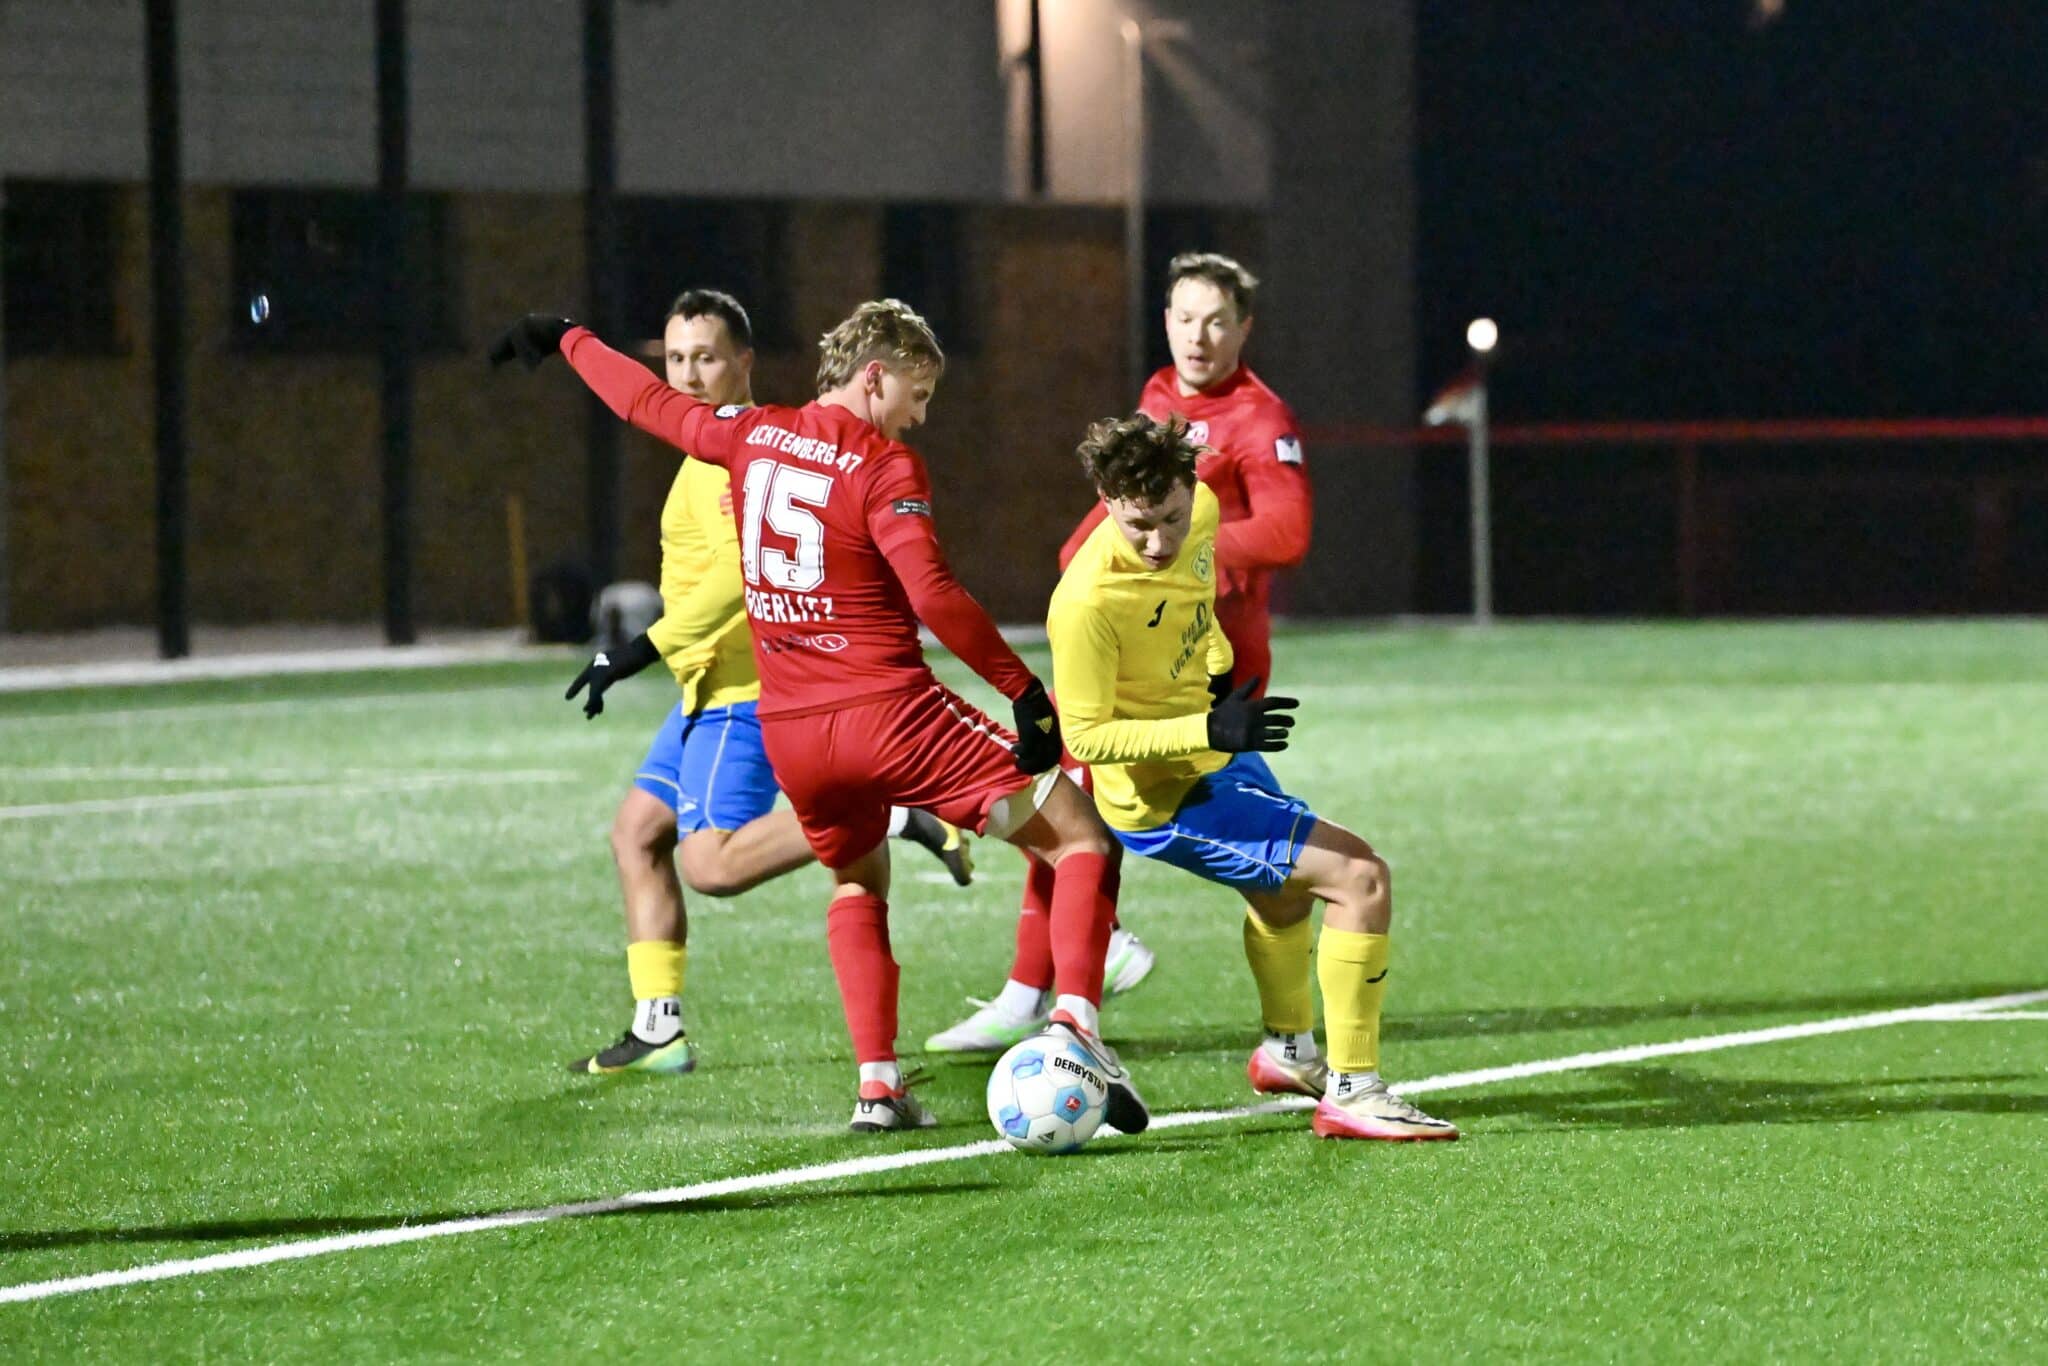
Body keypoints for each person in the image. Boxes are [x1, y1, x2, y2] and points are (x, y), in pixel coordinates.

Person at [491, 300, 1148, 1136]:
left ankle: (878, 1087)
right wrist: (1023, 693)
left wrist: (566, 339)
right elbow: (935, 596)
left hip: (795, 736)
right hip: (891, 716)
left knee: (855, 876)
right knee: (1081, 836)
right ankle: (1076, 1031)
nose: (920, 414)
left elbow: (646, 405)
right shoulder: (884, 467)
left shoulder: (751, 434)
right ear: (875, 375)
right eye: (918, 392)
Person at [549, 289, 972, 1078]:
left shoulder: (746, 451)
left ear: (745, 361)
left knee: (709, 865)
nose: (688, 374)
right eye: (675, 359)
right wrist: (570, 339)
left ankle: (881, 818)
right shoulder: (705, 445)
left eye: (706, 357)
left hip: (744, 691)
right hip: (705, 687)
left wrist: (638, 648)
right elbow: (638, 401)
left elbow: (741, 581)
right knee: (636, 833)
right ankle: (657, 1026)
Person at [931, 251, 1313, 1052]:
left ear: (1245, 327)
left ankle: (1078, 981)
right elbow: (1126, 514)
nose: (1197, 336)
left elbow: (1287, 531)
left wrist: (1179, 549)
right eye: (1182, 317)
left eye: (1216, 320)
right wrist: (1089, 558)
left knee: (1091, 810)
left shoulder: (1261, 418)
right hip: (1133, 654)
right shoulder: (1160, 397)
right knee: (1066, 800)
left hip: (1207, 676)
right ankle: (1039, 989)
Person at [1043, 410, 1455, 1141]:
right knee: (1360, 878)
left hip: (1217, 751)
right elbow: (1086, 737)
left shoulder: (1199, 509)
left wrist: (1217, 676)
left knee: (1286, 896)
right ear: (1105, 502)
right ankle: (1354, 1092)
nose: (1159, 541)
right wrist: (1205, 727)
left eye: (1170, 517)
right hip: (1163, 801)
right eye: (1138, 524)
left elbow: (1197, 607)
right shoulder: (1083, 604)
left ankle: (1287, 1052)